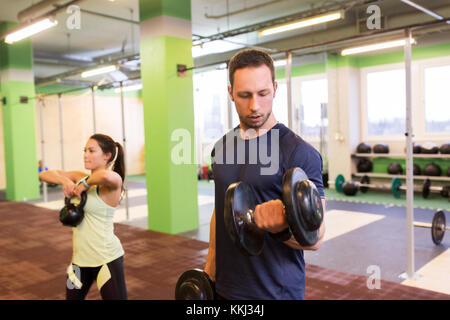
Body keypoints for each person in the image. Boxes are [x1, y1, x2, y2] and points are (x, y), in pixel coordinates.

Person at [204, 49, 326, 300]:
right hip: (226, 290)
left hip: (275, 294)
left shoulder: (299, 153)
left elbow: (316, 238)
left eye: (263, 94)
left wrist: (282, 227)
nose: (254, 106)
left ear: (275, 88)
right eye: (244, 95)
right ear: (230, 93)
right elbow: (222, 210)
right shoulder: (222, 148)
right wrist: (210, 269)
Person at [39, 133, 127, 300]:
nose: (86, 155)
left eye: (92, 151)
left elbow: (105, 175)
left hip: (106, 260)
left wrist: (85, 184)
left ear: (107, 156)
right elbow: (45, 174)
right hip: (79, 263)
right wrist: (64, 181)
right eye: (85, 150)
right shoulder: (79, 176)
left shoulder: (112, 182)